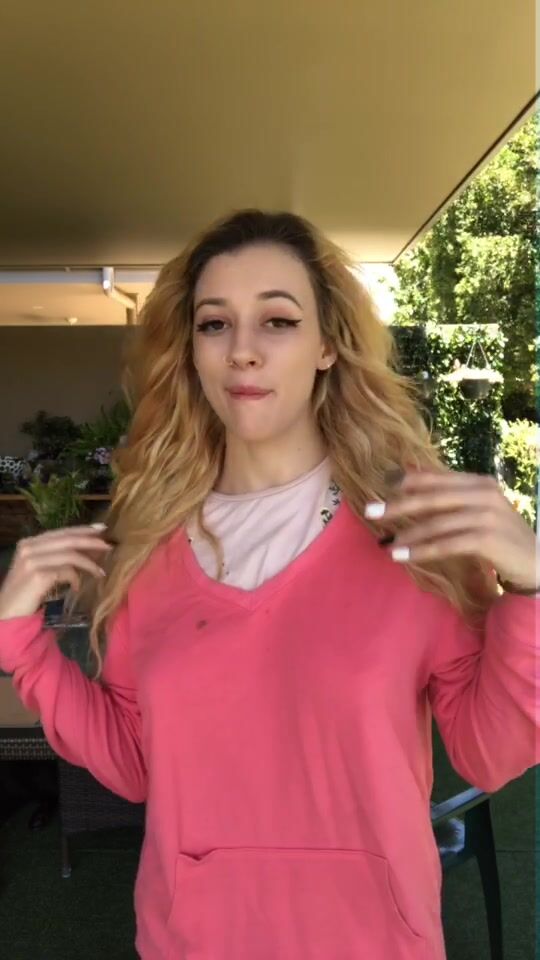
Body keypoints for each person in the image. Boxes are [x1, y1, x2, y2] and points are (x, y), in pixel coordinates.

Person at [0, 209, 538, 960]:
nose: (243, 350)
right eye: (215, 324)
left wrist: (530, 591)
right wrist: (21, 643)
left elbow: (489, 753)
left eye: (278, 321)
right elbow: (135, 761)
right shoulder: (148, 544)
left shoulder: (414, 529)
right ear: (191, 352)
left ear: (327, 346)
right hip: (193, 941)